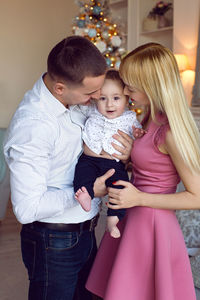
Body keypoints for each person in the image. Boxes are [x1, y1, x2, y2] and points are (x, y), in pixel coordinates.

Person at [3, 36, 133, 300]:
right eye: (90, 94)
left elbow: (99, 134)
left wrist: (125, 153)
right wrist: (89, 191)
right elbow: (26, 209)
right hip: (54, 241)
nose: (98, 99)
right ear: (60, 88)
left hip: (86, 231)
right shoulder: (34, 126)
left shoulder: (75, 101)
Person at [86, 43, 200, 300]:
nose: (125, 91)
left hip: (152, 225)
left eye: (130, 86)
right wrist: (127, 160)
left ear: (151, 85)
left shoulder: (170, 131)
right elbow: (152, 165)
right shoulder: (146, 118)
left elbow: (197, 195)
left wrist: (139, 198)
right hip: (131, 218)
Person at [73, 69, 143, 239]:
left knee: (120, 188)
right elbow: (76, 107)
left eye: (116, 98)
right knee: (81, 175)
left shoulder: (130, 118)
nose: (109, 104)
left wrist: (139, 135)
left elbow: (138, 135)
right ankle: (85, 196)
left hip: (114, 164)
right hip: (89, 159)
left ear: (127, 98)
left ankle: (112, 220)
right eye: (103, 98)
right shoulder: (92, 111)